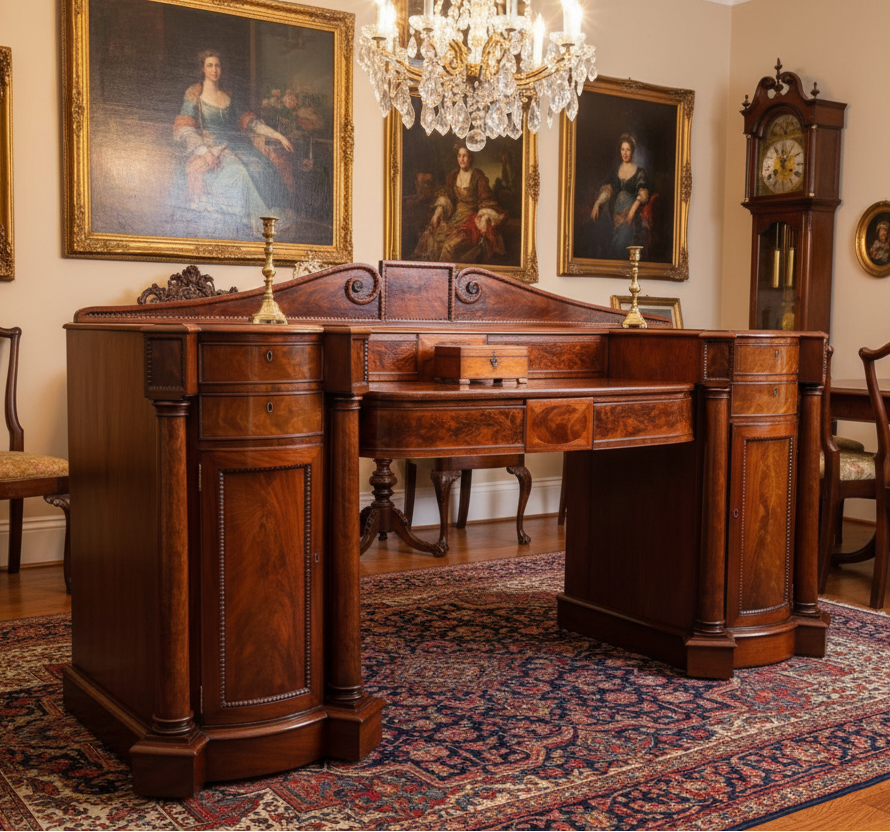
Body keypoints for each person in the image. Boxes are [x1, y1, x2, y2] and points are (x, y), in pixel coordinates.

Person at [173, 50, 297, 239]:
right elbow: (185, 129)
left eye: (217, 65)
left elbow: (251, 123)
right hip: (212, 150)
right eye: (210, 65)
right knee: (239, 174)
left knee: (263, 168)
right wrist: (205, 152)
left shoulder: (228, 95)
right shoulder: (194, 95)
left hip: (239, 147)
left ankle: (269, 220)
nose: (214, 69)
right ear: (202, 68)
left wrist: (278, 135)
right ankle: (256, 221)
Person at [412, 147, 507, 264]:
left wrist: (485, 216)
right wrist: (439, 210)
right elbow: (448, 196)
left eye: (465, 156)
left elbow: (486, 200)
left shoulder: (478, 177)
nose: (461, 159)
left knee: (449, 246)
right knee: (433, 239)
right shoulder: (453, 176)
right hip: (453, 218)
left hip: (470, 221)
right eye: (459, 155)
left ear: (471, 158)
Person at [583, 133, 653, 260]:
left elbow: (643, 194)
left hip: (631, 219)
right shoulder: (616, 171)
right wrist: (598, 202)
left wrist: (631, 213)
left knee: (621, 247)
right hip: (615, 219)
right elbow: (608, 190)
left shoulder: (639, 173)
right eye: (622, 149)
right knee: (596, 231)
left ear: (632, 151)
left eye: (628, 149)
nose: (625, 153)